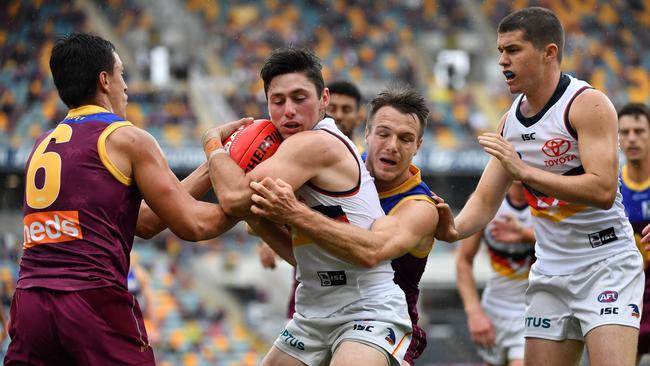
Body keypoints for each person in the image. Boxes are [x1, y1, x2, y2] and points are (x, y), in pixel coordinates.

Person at [7, 33, 241, 365]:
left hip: (30, 303)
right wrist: (248, 199)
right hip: (90, 301)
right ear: (105, 80)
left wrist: (210, 167)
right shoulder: (126, 137)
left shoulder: (42, 143)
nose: (126, 86)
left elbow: (143, 223)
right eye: (121, 73)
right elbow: (194, 223)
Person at [434, 7, 643, 366]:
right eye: (500, 51)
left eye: (513, 50)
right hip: (550, 272)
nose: (502, 61)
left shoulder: (587, 104)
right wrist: (450, 229)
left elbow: (603, 190)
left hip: (606, 265)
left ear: (549, 53)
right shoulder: (509, 122)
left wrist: (524, 171)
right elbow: (484, 201)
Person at [202, 47, 413, 366]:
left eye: (300, 98)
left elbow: (233, 198)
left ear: (324, 99)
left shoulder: (315, 143)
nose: (289, 111)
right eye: (278, 101)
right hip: (312, 312)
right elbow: (301, 259)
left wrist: (214, 147)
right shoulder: (289, 151)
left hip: (367, 308)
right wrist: (260, 222)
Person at [249, 86, 439, 365]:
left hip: (377, 322)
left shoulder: (420, 206)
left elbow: (372, 251)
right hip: (316, 310)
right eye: (384, 134)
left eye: (406, 139)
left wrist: (294, 215)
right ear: (367, 134)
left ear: (418, 146)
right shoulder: (342, 175)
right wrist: (265, 224)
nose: (392, 146)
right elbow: (281, 237)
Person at [256, 79, 365, 318]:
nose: (338, 115)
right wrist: (268, 238)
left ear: (359, 117)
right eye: (334, 108)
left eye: (346, 110)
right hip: (310, 281)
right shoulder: (302, 156)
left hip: (355, 282)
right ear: (323, 106)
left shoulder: (365, 165)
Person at [456, 181, 535, 366]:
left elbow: (563, 243)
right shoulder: (486, 201)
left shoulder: (546, 202)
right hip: (494, 310)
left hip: (532, 309)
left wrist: (525, 235)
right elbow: (464, 260)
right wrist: (474, 313)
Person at [617, 103, 650, 364]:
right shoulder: (611, 188)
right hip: (626, 297)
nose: (631, 138)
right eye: (624, 132)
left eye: (639, 131)